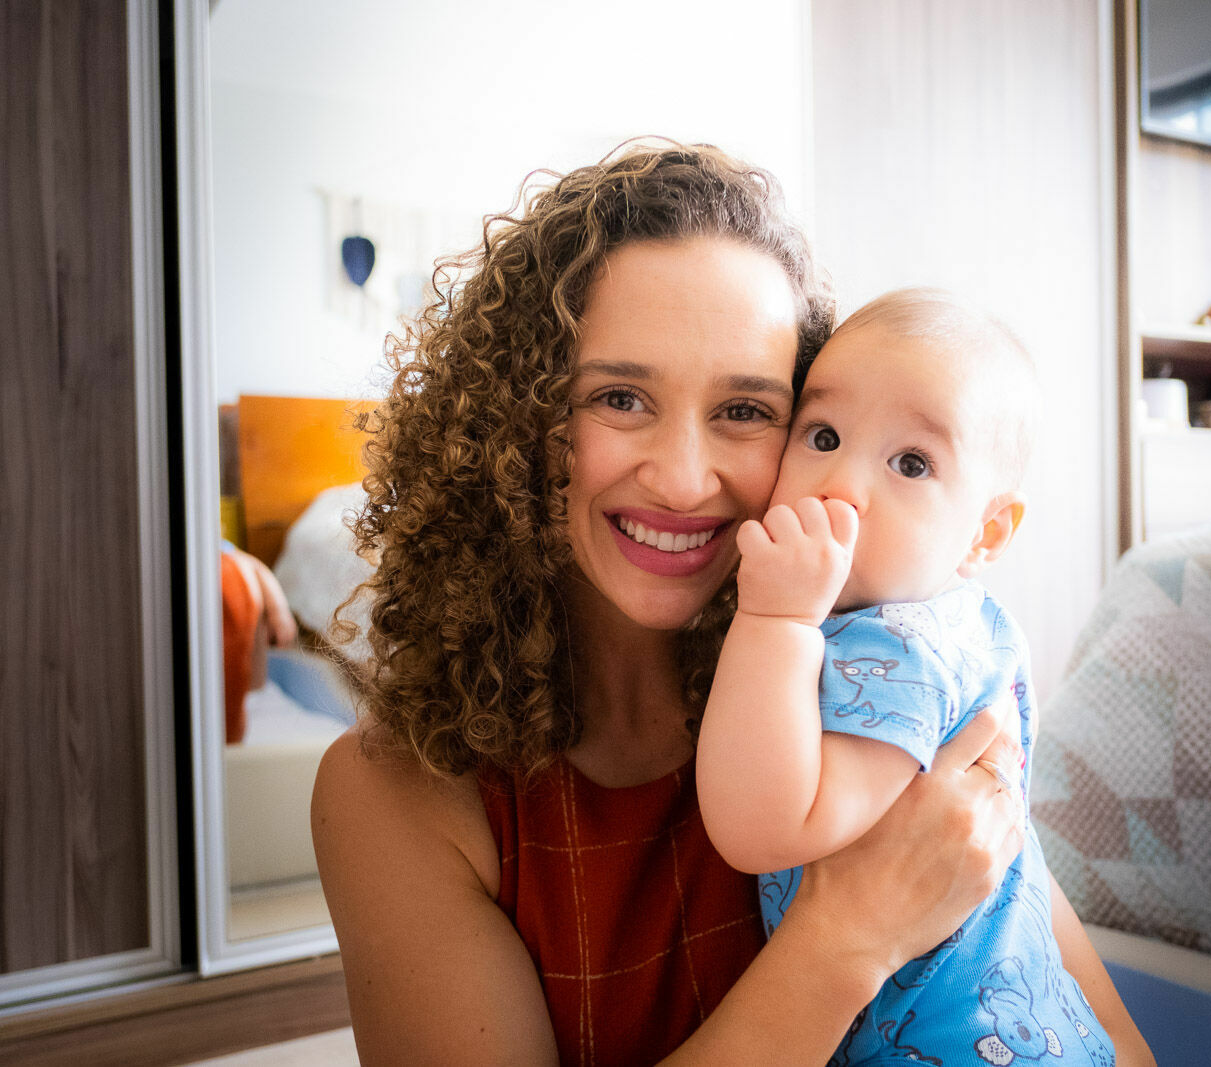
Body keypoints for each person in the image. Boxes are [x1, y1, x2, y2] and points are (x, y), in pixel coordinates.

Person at [311, 142, 1148, 1065]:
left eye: (745, 410)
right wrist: (849, 937)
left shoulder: (871, 687)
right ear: (519, 422)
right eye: (620, 397)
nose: (681, 478)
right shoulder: (397, 793)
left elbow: (1107, 1036)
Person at [697, 288, 1139, 1064]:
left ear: (985, 531)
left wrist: (775, 620)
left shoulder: (905, 650)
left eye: (911, 462)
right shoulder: (958, 622)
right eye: (823, 434)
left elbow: (761, 826)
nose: (841, 486)